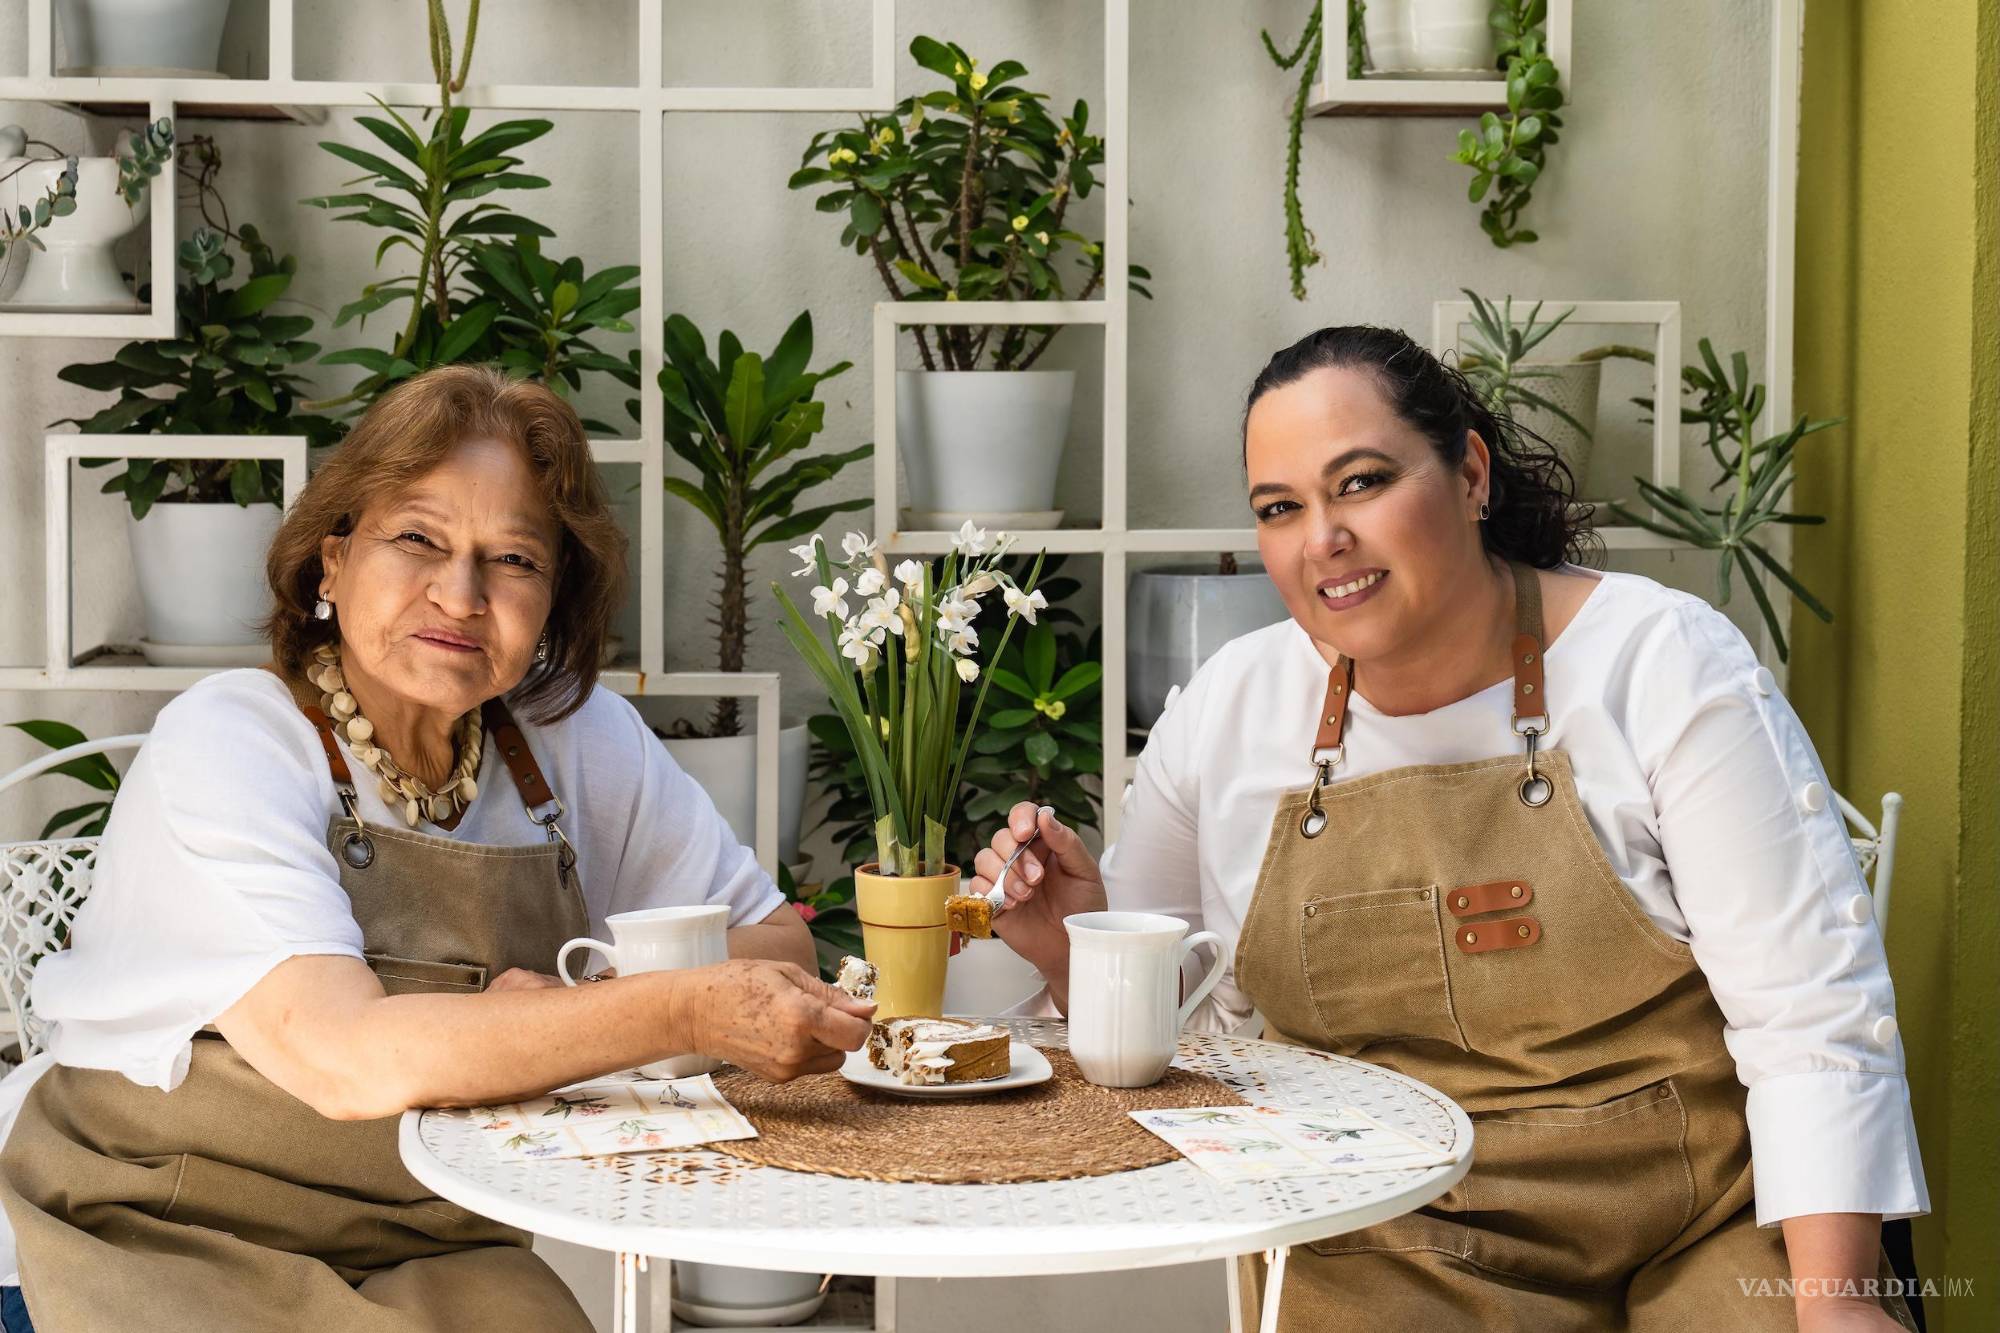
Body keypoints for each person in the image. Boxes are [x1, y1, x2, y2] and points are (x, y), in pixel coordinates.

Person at [970, 327, 1927, 1330]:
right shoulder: (1228, 708)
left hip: (1705, 1217)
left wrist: (1835, 1303)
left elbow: (1808, 1011)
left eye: (1361, 481)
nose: (1321, 538)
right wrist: (1080, 946)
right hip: (1389, 1230)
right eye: (1279, 508)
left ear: (1468, 472)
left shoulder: (1660, 662)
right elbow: (1178, 1036)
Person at [0, 365, 875, 1331]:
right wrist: (670, 1005)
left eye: (514, 560)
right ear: (330, 562)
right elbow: (346, 1059)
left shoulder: (577, 740)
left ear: (553, 600)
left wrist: (590, 1001)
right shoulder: (230, 739)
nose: (460, 594)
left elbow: (775, 947)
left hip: (436, 1236)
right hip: (151, 1220)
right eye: (417, 537)